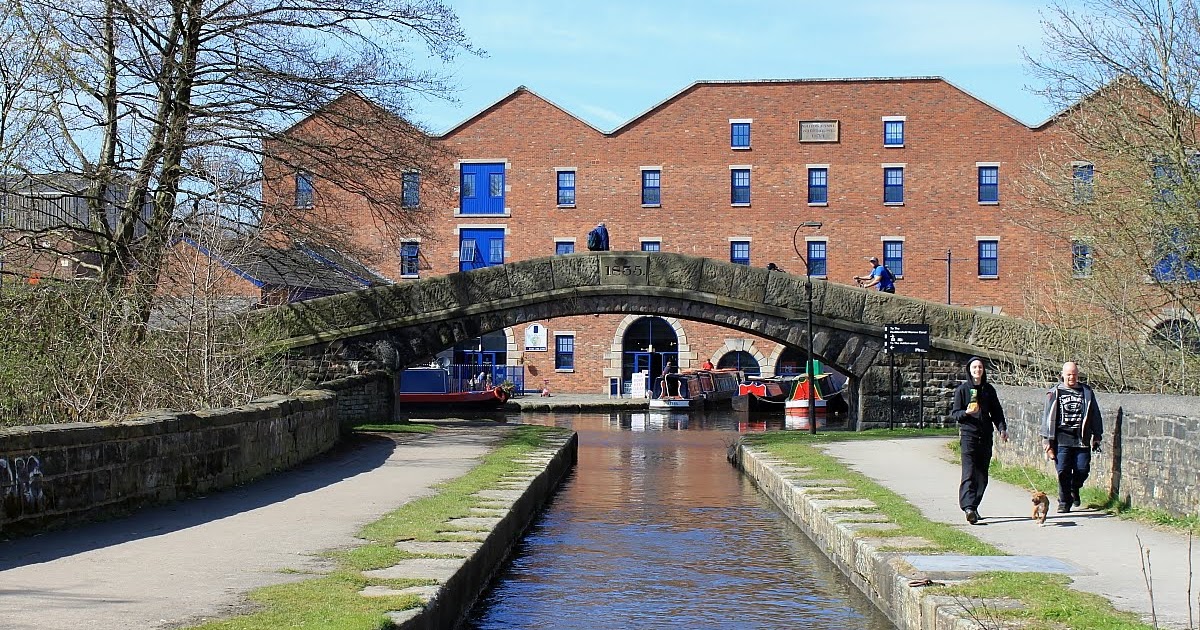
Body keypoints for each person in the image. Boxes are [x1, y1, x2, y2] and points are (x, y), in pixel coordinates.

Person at [949, 356, 1008, 524]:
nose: (977, 370)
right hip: (969, 436)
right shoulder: (962, 390)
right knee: (969, 472)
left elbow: (997, 412)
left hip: (985, 435)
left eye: (980, 368)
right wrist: (966, 413)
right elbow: (955, 414)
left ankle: (974, 507)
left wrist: (1002, 429)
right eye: (974, 368)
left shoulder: (988, 390)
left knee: (982, 475)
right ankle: (967, 507)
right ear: (969, 370)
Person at [1040, 361, 1103, 513]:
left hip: (1081, 439)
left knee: (1082, 469)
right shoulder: (1055, 392)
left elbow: (1094, 413)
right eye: (1069, 374)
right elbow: (1047, 417)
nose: (1072, 378)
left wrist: (1097, 435)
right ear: (1062, 375)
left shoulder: (1086, 392)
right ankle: (1064, 502)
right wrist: (1046, 440)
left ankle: (1074, 488)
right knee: (1063, 472)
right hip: (1061, 439)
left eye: (1074, 374)